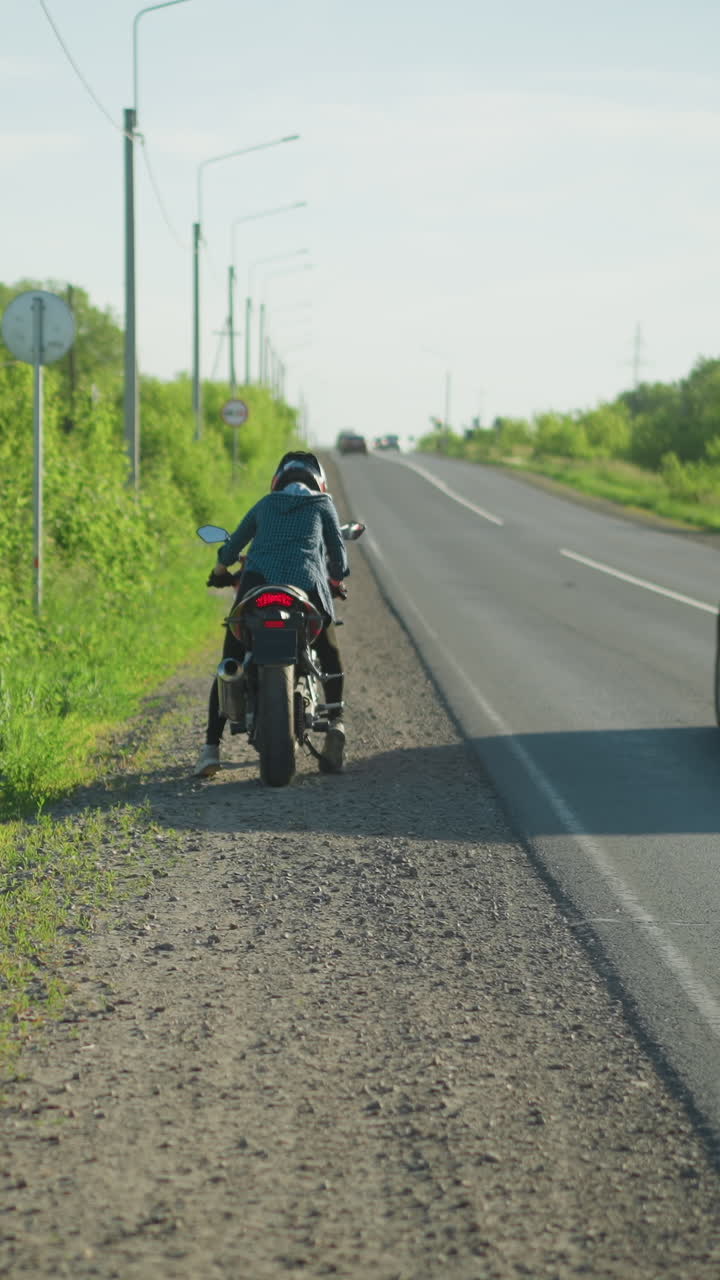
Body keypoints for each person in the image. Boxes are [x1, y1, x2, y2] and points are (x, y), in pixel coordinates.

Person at [193, 451, 350, 779]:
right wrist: (336, 576)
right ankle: (335, 724)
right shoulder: (323, 505)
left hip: (257, 586)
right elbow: (339, 558)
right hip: (306, 589)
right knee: (329, 652)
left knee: (230, 662)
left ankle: (210, 749)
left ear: (278, 482)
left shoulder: (265, 504)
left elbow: (232, 547)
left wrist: (220, 571)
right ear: (318, 482)